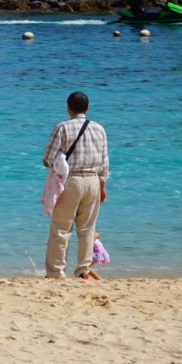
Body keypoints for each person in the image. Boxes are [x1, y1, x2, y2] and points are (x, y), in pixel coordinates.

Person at [43, 91, 109, 279]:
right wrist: (103, 186)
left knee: (61, 228)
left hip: (70, 181)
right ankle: (83, 270)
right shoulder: (99, 129)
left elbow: (48, 158)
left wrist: (54, 164)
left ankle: (56, 272)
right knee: (87, 229)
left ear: (68, 108)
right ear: (87, 108)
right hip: (93, 180)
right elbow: (105, 162)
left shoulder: (62, 128)